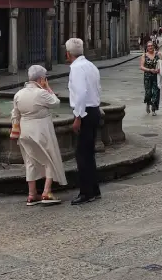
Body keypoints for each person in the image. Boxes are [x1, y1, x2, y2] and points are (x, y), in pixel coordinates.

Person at [11, 65, 66, 206]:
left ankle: (31, 194)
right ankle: (46, 192)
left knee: (30, 162)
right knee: (49, 160)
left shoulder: (19, 94)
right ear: (41, 79)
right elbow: (56, 102)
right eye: (45, 78)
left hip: (24, 132)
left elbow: (15, 114)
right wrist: (47, 88)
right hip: (41, 131)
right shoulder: (41, 93)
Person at [66, 38, 101, 205]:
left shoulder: (77, 68)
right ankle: (94, 189)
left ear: (68, 54)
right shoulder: (90, 66)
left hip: (85, 113)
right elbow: (97, 89)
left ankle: (86, 192)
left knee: (82, 154)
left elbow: (80, 94)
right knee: (89, 153)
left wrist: (78, 117)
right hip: (94, 110)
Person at [140, 40, 162, 116]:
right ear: (147, 47)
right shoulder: (144, 55)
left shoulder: (158, 54)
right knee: (148, 93)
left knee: (156, 93)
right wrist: (150, 70)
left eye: (151, 45)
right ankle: (148, 104)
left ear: (154, 46)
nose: (150, 47)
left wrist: (159, 69)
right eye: (149, 46)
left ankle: (153, 109)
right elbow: (141, 67)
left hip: (156, 76)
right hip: (147, 76)